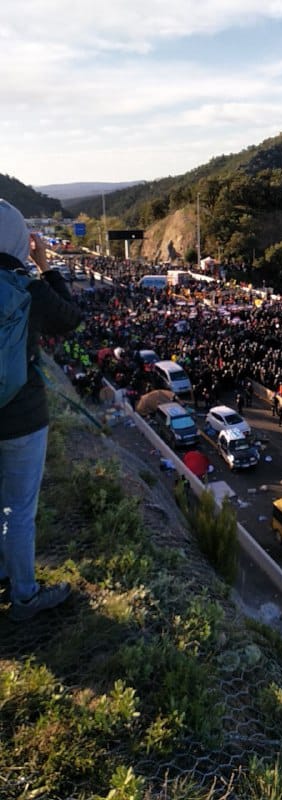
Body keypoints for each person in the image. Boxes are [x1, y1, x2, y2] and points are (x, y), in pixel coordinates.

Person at [0, 200, 83, 622]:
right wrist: (44, 267)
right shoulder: (27, 289)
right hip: (22, 415)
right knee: (18, 509)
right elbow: (70, 318)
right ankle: (25, 596)